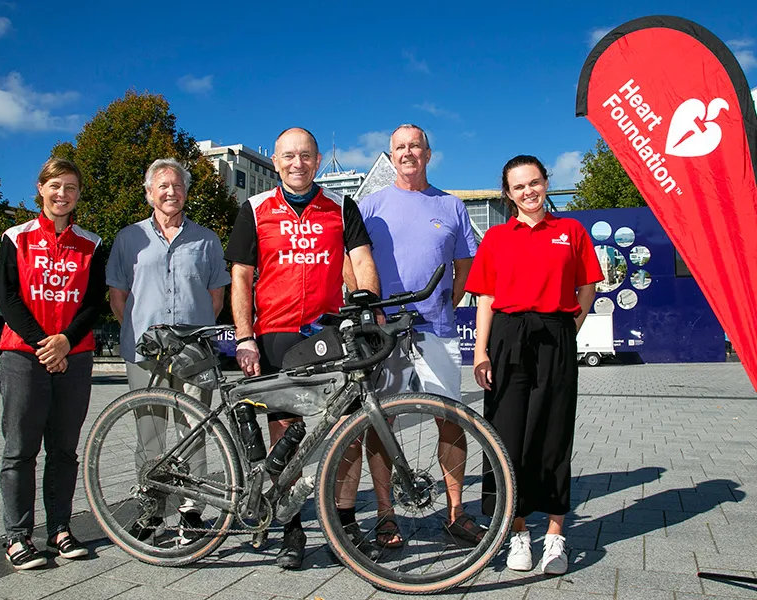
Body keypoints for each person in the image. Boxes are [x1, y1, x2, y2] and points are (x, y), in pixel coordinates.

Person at [225, 127, 380, 569]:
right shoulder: (254, 209)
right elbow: (241, 277)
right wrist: (244, 336)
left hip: (327, 333)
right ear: (275, 162)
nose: (298, 163)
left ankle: (345, 525)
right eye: (289, 156)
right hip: (275, 333)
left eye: (306, 156)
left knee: (346, 432)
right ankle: (291, 531)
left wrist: (367, 306)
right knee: (286, 436)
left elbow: (363, 259)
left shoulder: (340, 205)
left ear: (316, 161)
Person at [465, 155, 602, 575]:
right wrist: (481, 351)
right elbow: (485, 299)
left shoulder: (571, 231)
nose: (529, 191)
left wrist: (564, 331)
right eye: (519, 186)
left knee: (553, 434)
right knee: (507, 439)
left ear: (546, 183)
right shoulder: (496, 238)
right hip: (507, 339)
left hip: (554, 336)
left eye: (535, 182)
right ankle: (519, 533)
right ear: (508, 194)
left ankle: (556, 537)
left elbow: (587, 290)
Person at [355, 123, 482, 548]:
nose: (408, 152)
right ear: (391, 156)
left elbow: (464, 265)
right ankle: (387, 517)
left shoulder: (451, 205)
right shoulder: (368, 206)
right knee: (381, 422)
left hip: (436, 330)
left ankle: (455, 512)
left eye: (416, 146)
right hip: (384, 334)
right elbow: (348, 260)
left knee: (451, 420)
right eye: (400, 147)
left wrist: (449, 300)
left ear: (429, 153)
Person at [107, 158, 230, 543]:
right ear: (149, 193)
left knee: (193, 428)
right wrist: (141, 333)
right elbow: (118, 296)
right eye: (162, 185)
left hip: (193, 350)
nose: (170, 191)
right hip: (145, 351)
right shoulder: (129, 239)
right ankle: (152, 509)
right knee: (151, 430)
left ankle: (191, 512)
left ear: (186, 192)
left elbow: (216, 296)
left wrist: (190, 337)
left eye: (177, 185)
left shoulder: (206, 239)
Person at [0, 158, 105, 569]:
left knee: (64, 450)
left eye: (71, 187)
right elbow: (7, 298)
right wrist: (45, 344)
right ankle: (17, 536)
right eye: (56, 186)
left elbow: (93, 303)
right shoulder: (15, 237)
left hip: (74, 357)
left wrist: (65, 342)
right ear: (41, 188)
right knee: (20, 449)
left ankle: (60, 529)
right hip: (24, 355)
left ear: (78, 194)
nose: (63, 194)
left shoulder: (91, 244)